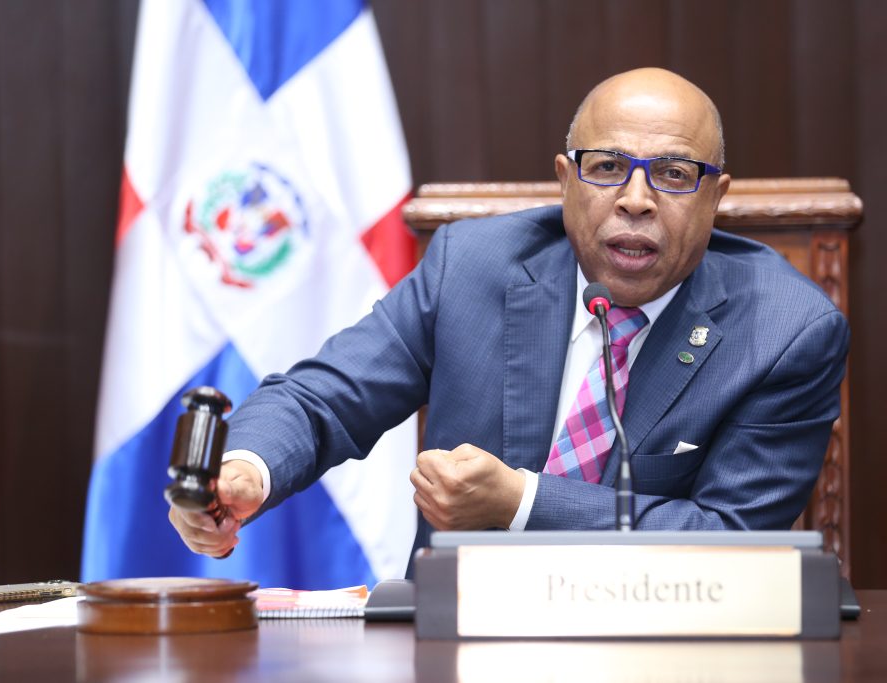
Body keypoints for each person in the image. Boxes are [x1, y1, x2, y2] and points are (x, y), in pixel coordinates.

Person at [169, 68, 850, 569]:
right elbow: (323, 397)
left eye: (673, 174)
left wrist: (521, 501)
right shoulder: (472, 266)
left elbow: (735, 541)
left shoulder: (786, 331)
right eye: (607, 167)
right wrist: (246, 471)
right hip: (462, 636)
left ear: (715, 196)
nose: (636, 199)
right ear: (565, 180)